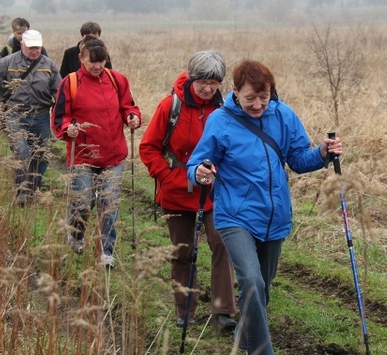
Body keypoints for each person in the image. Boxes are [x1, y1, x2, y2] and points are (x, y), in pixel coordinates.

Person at [186, 59, 343, 355]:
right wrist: (199, 172)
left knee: (261, 292)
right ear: (235, 91)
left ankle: (243, 346)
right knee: (251, 280)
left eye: (263, 97)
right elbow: (197, 161)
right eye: (250, 98)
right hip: (234, 215)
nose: (257, 104)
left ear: (271, 92)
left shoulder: (284, 116)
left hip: (275, 217)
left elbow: (298, 160)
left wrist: (322, 153)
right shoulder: (220, 120)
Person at [139, 50, 237, 332]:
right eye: (203, 82)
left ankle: (224, 311)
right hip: (177, 192)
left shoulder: (227, 110)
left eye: (214, 83)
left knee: (222, 244)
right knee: (183, 252)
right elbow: (148, 148)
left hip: (216, 192)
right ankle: (185, 310)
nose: (208, 89)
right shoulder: (171, 106)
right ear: (191, 78)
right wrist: (168, 177)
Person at [52, 38, 141, 268]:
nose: (98, 66)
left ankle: (106, 253)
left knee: (109, 203)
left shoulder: (116, 79)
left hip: (113, 155)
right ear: (81, 58)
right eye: (92, 62)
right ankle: (76, 234)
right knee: (83, 201)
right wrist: (66, 129)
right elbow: (59, 117)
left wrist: (132, 117)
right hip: (82, 155)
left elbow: (128, 106)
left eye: (101, 61)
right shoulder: (70, 83)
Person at [0, 29, 61, 206]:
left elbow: (58, 92)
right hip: (15, 114)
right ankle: (21, 192)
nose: (35, 51)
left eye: (38, 48)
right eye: (31, 48)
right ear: (22, 45)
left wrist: (61, 111)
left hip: (40, 116)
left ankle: (33, 188)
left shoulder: (49, 64)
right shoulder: (7, 62)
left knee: (42, 155)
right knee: (22, 151)